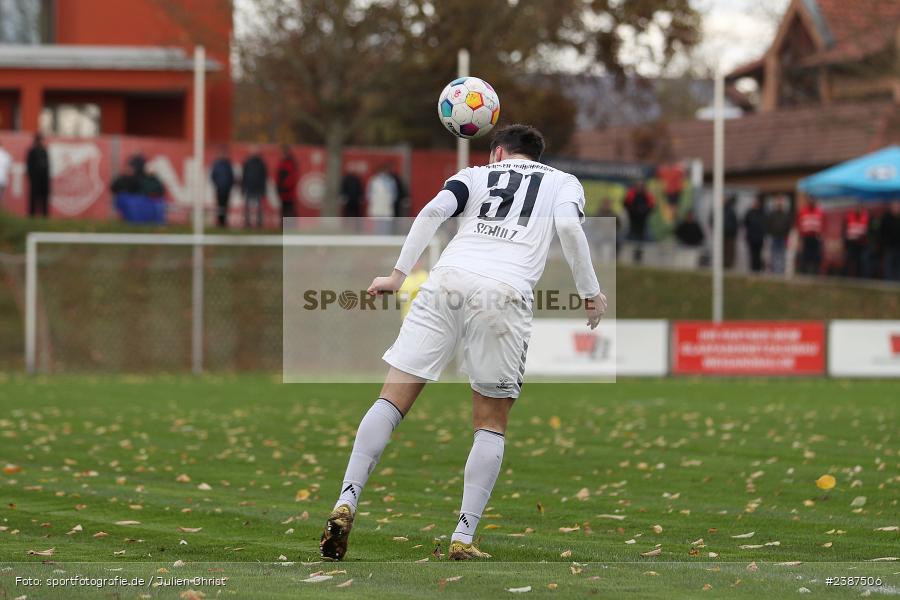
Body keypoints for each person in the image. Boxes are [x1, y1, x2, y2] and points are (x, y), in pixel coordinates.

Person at [319, 124, 607, 562]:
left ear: (497, 153)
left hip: (446, 282)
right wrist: (590, 291)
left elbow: (433, 211)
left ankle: (347, 499)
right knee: (490, 421)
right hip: (503, 292)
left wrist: (397, 275)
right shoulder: (563, 182)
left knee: (391, 401)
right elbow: (568, 228)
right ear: (537, 156)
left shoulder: (474, 175)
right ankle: (462, 536)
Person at [366, 164, 397, 235]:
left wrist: (391, 201)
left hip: (386, 204)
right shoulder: (373, 180)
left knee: (386, 220)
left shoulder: (391, 181)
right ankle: (376, 235)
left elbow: (394, 193)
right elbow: (369, 193)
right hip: (376, 204)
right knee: (376, 220)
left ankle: (386, 235)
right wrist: (371, 201)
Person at [796, 198, 824, 274]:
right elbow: (799, 224)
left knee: (815, 256)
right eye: (810, 201)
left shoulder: (819, 211)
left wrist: (821, 234)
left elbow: (822, 224)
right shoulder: (803, 211)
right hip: (806, 237)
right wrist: (800, 237)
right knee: (805, 255)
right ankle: (804, 272)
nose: (811, 202)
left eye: (813, 201)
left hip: (816, 237)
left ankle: (815, 271)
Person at [241, 150, 267, 229]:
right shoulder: (247, 163)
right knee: (247, 207)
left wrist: (263, 189)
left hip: (258, 188)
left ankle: (259, 223)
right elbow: (244, 176)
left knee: (259, 207)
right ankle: (247, 222)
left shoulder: (261, 163)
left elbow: (264, 177)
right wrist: (243, 187)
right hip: (249, 187)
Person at [766, 195, 792, 274]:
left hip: (783, 237)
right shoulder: (772, 214)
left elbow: (788, 225)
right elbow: (768, 225)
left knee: (782, 255)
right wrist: (770, 233)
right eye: (778, 202)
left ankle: (781, 271)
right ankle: (773, 271)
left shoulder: (785, 214)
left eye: (781, 202)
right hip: (774, 237)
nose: (780, 203)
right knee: (774, 254)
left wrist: (786, 234)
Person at [26, 133, 51, 217]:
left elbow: (47, 166)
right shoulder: (32, 151)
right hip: (35, 179)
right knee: (33, 197)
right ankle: (32, 215)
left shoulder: (45, 151)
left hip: (44, 179)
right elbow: (29, 166)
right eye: (40, 140)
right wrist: (32, 177)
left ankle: (45, 215)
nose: (41, 142)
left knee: (44, 197)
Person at [210, 147, 234, 228]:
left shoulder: (228, 164)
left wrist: (230, 185)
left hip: (227, 188)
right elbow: (213, 176)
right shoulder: (217, 164)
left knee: (225, 205)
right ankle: (219, 221)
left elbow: (231, 176)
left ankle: (224, 222)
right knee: (219, 205)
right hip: (219, 188)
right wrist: (217, 184)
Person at [842, 205, 868, 278]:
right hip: (851, 243)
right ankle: (846, 276)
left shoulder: (865, 217)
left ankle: (858, 276)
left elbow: (866, 231)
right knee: (849, 260)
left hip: (860, 244)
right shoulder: (849, 217)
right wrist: (845, 242)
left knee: (859, 261)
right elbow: (845, 230)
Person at [276, 145, 300, 222]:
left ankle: (290, 225)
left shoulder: (291, 163)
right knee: (284, 209)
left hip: (289, 191)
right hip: (283, 191)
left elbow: (292, 177)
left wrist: (284, 186)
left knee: (289, 209)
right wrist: (279, 186)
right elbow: (277, 176)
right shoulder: (282, 163)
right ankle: (284, 225)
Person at [743, 196, 766, 272]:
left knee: (759, 254)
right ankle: (753, 269)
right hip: (751, 237)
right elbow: (745, 223)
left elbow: (765, 224)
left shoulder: (762, 212)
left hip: (760, 237)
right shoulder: (749, 213)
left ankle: (758, 269)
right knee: (752, 254)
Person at [881, 200, 900, 282]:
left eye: (898, 207)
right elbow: (882, 232)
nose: (896, 209)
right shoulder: (886, 218)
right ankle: (888, 282)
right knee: (888, 264)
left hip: (898, 246)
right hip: (889, 246)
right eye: (895, 207)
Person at [723, 196, 739, 269]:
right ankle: (723, 264)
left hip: (730, 234)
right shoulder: (718, 209)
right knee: (723, 250)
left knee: (730, 251)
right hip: (721, 234)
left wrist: (733, 231)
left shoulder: (731, 210)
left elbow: (735, 222)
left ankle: (728, 266)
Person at [0, 141, 11, 206]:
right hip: (3, 178)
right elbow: (8, 166)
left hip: (3, 177)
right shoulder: (6, 154)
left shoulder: (5, 154)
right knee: (1, 195)